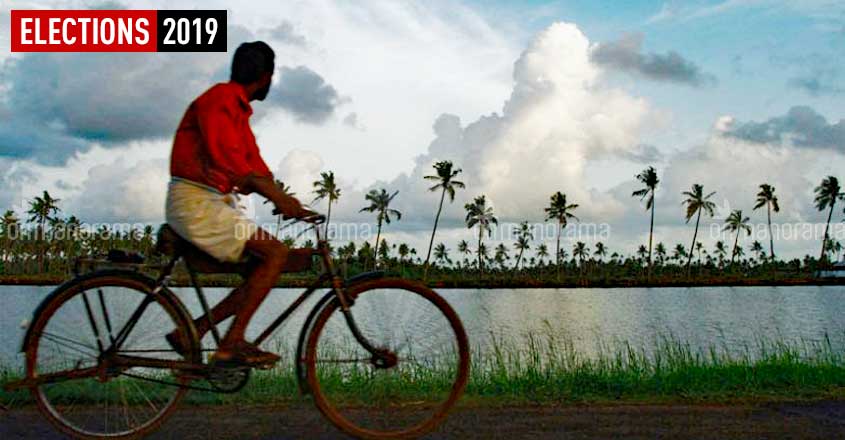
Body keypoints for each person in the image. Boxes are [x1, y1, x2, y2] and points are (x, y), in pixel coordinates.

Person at [165, 41, 313, 366]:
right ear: (266, 76)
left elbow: (254, 165)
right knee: (276, 253)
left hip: (210, 202)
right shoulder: (221, 99)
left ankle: (194, 330)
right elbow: (231, 161)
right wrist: (276, 196)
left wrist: (288, 202)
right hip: (196, 203)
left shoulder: (238, 109)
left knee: (262, 266)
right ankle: (231, 343)